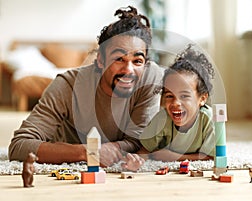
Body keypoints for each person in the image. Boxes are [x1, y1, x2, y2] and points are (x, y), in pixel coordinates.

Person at [9, 6, 163, 170]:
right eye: (118, 59)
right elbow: (19, 145)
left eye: (137, 61)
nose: (128, 70)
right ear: (100, 60)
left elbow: (138, 141)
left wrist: (115, 149)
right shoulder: (67, 85)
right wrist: (88, 152)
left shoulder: (151, 77)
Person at [138, 44, 215, 162]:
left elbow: (211, 156)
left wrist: (176, 157)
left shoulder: (208, 119)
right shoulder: (162, 119)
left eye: (184, 96)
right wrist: (135, 160)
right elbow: (145, 149)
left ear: (202, 99)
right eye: (169, 96)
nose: (176, 103)